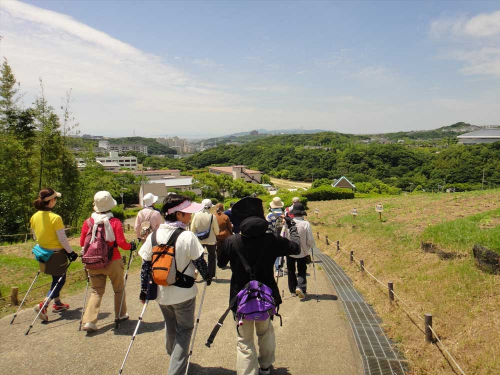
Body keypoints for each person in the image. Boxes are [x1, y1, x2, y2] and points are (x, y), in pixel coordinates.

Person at [218, 197, 300, 375]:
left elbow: (220, 262)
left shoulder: (232, 242)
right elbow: (296, 248)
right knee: (265, 333)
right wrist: (292, 226)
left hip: (240, 298)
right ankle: (265, 367)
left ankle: (248, 372)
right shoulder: (271, 240)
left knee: (244, 340)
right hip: (265, 296)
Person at [138, 194, 212, 375]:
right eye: (187, 213)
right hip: (184, 293)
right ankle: (176, 368)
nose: (190, 216)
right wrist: (208, 277)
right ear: (178, 215)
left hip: (162, 293)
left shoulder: (153, 235)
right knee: (184, 330)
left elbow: (145, 265)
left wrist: (143, 290)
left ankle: (174, 357)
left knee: (170, 326)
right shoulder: (187, 236)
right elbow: (201, 264)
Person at [79, 191, 136, 332]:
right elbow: (121, 243)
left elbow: (82, 242)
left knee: (96, 291)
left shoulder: (88, 222)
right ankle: (121, 315)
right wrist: (131, 246)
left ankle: (89, 322)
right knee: (118, 289)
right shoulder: (114, 222)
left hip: (92, 262)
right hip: (113, 260)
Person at [30, 188, 79, 321]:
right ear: (51, 200)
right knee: (60, 280)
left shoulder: (34, 216)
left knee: (55, 278)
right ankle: (43, 305)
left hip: (42, 253)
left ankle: (57, 304)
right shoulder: (56, 218)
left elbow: (35, 236)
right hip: (56, 254)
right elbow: (62, 239)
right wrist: (71, 253)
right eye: (55, 199)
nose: (56, 201)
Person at [284, 203, 315, 299]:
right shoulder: (306, 224)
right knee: (302, 269)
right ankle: (301, 287)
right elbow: (309, 239)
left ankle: (293, 290)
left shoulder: (288, 222)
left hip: (289, 250)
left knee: (291, 270)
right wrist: (311, 246)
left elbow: (284, 235)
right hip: (302, 251)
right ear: (302, 214)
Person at [190, 198, 219, 278]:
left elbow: (192, 229)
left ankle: (198, 271)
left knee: (199, 257)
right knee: (212, 256)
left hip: (199, 240)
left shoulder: (196, 215)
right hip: (211, 240)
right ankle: (211, 273)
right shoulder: (212, 216)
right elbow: (216, 230)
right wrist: (216, 233)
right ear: (210, 207)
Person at [266, 197, 285, 277]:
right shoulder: (284, 214)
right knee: (281, 252)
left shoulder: (269, 215)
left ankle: (277, 269)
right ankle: (280, 268)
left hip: (272, 236)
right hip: (282, 235)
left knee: (274, 253)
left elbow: (268, 227)